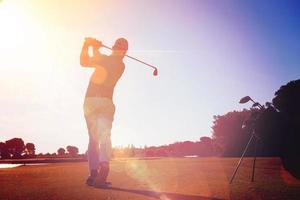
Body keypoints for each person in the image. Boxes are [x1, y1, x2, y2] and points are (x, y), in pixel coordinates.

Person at [80, 37, 128, 188]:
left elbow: (84, 61)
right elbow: (91, 62)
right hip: (105, 102)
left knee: (93, 139)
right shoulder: (120, 64)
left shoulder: (115, 63)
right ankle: (104, 164)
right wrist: (92, 47)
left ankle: (93, 174)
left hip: (90, 102)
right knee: (104, 136)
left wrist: (88, 45)